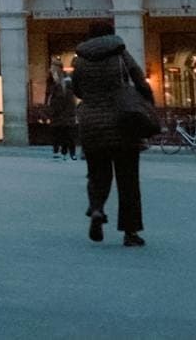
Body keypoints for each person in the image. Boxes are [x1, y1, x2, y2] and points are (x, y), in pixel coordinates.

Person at [71, 17, 152, 247]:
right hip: (123, 123)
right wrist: (147, 102)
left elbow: (77, 89)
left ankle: (97, 209)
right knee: (128, 181)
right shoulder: (120, 54)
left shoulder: (81, 60)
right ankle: (130, 232)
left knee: (97, 174)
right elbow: (140, 80)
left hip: (91, 125)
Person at [47, 66, 77, 160]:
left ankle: (61, 152)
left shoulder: (60, 88)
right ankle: (67, 153)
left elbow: (56, 102)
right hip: (65, 115)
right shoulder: (65, 87)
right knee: (66, 134)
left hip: (61, 115)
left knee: (60, 134)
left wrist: (52, 111)